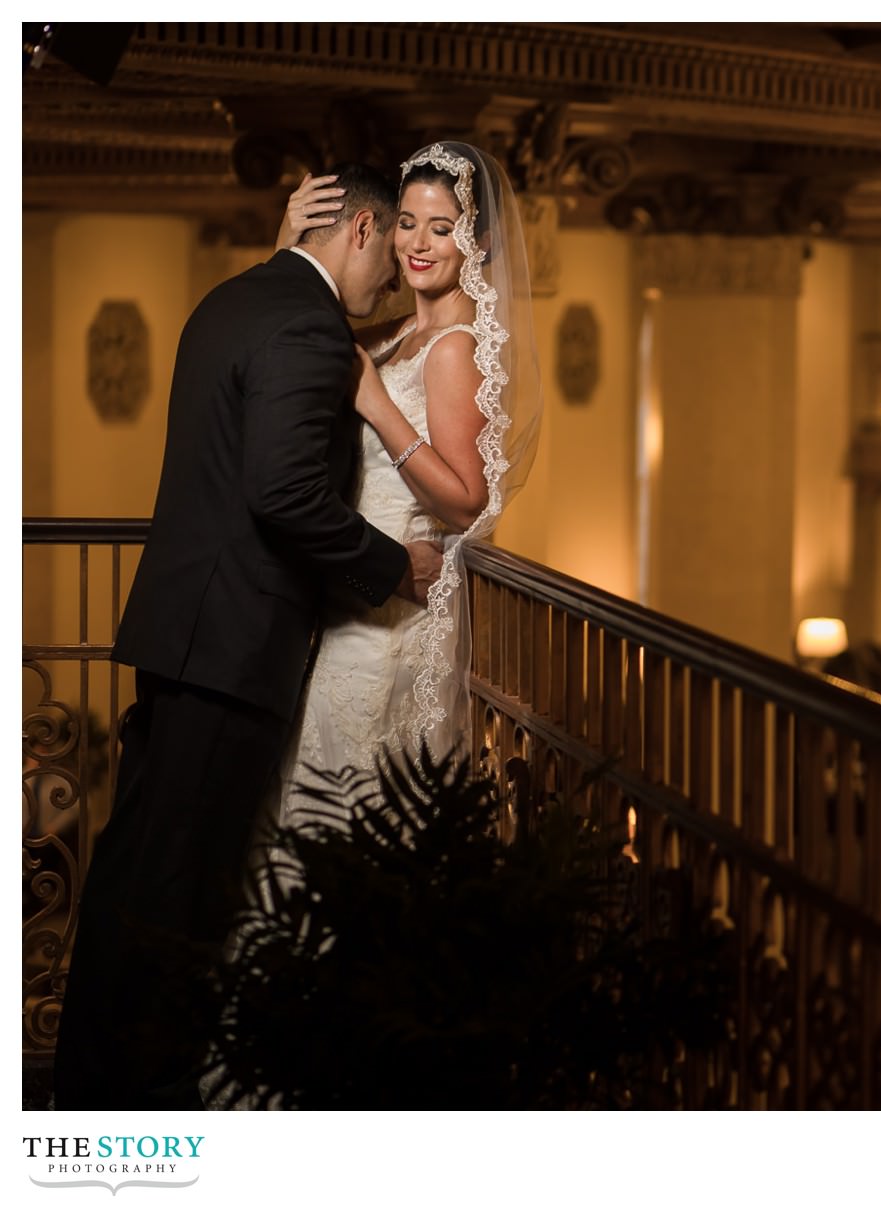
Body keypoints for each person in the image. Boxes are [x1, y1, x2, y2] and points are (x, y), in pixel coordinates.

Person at [54, 163, 444, 1110]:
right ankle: (141, 1106)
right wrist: (397, 567)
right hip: (234, 650)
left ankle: (85, 1084)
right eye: (381, 266)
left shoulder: (232, 298)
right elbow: (283, 494)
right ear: (358, 229)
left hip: (177, 632)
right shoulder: (307, 326)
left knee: (133, 872)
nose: (382, 288)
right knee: (181, 896)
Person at [266, 142, 540, 833]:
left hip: (394, 615)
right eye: (408, 223)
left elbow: (465, 500)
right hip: (352, 595)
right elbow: (305, 319)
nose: (417, 244)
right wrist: (286, 242)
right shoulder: (397, 337)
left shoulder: (456, 350)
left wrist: (379, 408)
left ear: (474, 241)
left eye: (441, 228)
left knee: (352, 803)